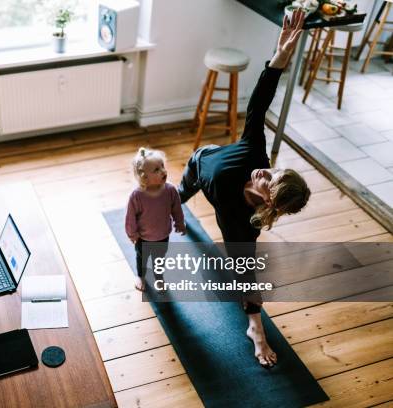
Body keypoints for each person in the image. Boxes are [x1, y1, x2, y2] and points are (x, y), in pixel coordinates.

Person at [177, 10, 311, 367]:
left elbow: (246, 275)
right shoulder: (255, 151)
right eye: (274, 170)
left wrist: (258, 329)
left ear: (268, 203)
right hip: (198, 163)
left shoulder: (243, 223)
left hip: (222, 207)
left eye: (270, 181)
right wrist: (279, 58)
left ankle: (255, 332)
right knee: (176, 200)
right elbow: (259, 103)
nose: (264, 172)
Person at [126, 147, 186, 291]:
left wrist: (180, 222)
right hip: (143, 237)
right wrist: (132, 234)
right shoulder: (137, 196)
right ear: (144, 177)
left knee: (159, 260)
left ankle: (159, 278)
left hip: (163, 234)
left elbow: (176, 208)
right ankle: (140, 276)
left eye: (162, 166)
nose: (163, 171)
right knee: (142, 258)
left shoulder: (170, 190)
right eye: (156, 170)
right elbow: (130, 217)